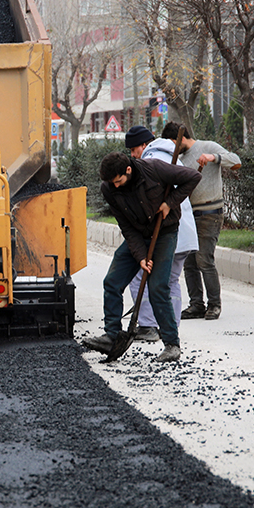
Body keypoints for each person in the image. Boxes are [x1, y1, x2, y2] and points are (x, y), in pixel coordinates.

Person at [84, 147, 200, 363]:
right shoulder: (108, 188)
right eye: (112, 183)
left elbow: (193, 177)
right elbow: (126, 226)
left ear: (128, 170)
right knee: (112, 282)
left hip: (164, 233)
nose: (115, 186)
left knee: (157, 287)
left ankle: (171, 344)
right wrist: (140, 256)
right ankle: (111, 335)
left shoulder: (154, 169)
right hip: (137, 234)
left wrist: (169, 202)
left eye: (118, 181)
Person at [124, 125, 199, 343]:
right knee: (172, 281)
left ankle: (148, 326)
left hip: (165, 231)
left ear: (143, 145)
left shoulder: (150, 160)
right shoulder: (171, 155)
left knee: (140, 276)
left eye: (133, 150)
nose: (132, 155)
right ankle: (170, 328)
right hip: (184, 231)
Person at [177, 126, 241, 320]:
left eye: (174, 144)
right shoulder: (178, 159)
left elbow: (236, 161)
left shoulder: (208, 146)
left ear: (181, 138)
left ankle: (214, 304)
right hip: (189, 214)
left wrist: (214, 158)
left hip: (210, 212)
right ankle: (196, 304)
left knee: (204, 258)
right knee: (189, 261)